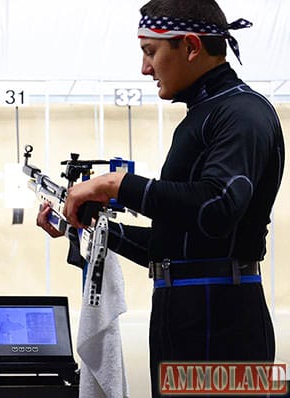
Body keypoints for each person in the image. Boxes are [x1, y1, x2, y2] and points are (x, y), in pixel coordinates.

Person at [38, 1, 284, 396]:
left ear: (189, 46)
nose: (144, 68)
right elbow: (175, 247)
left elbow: (214, 208)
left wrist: (115, 184)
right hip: (186, 315)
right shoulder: (204, 115)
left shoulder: (242, 112)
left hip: (224, 325)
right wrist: (92, 227)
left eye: (150, 51)